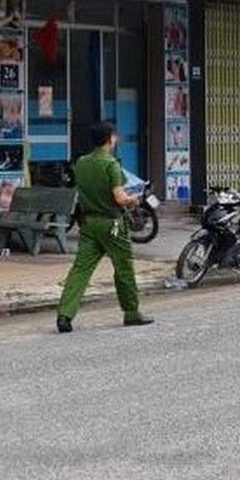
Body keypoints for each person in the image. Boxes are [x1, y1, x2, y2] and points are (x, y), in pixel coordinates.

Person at [56, 122, 154, 332]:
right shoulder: (111, 164)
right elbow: (119, 197)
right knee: (123, 268)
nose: (116, 139)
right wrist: (132, 201)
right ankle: (132, 312)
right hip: (112, 224)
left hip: (89, 224)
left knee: (80, 269)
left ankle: (65, 314)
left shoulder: (81, 163)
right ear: (109, 139)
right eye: (115, 136)